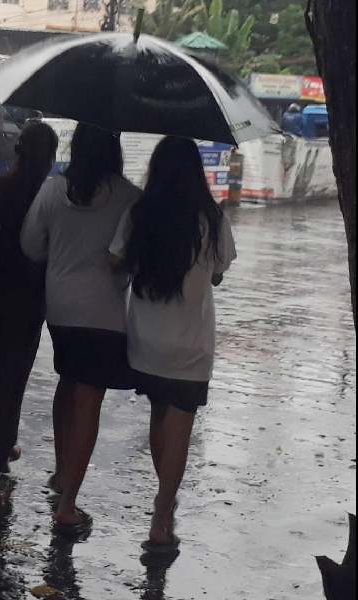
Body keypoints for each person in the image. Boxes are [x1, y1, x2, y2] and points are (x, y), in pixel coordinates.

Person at [109, 136, 237, 550]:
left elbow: (114, 259)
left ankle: (166, 495)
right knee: (180, 427)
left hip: (146, 341)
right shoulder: (212, 219)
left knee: (158, 416)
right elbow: (218, 273)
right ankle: (161, 519)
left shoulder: (139, 213)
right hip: (191, 345)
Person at [21, 122, 141, 531]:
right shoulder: (130, 197)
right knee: (88, 400)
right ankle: (68, 505)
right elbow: (136, 256)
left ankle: (60, 471)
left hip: (61, 310)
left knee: (68, 382)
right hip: (105, 314)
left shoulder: (54, 190)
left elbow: (31, 245)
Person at [0, 121, 59, 509]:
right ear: (49, 157)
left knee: (2, 381)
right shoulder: (48, 196)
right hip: (27, 301)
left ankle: (3, 447)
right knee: (10, 383)